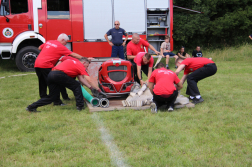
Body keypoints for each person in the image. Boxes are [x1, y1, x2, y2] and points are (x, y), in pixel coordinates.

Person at [26, 57, 104, 112]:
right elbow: (88, 79)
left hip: (51, 74)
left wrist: (90, 88)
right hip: (59, 75)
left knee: (52, 97)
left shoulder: (73, 62)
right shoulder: (80, 65)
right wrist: (98, 89)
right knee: (76, 85)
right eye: (86, 66)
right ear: (84, 62)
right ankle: (80, 106)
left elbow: (81, 79)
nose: (86, 68)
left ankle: (31, 107)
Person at [34, 33, 82, 105]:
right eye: (66, 42)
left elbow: (39, 48)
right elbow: (73, 54)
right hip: (46, 65)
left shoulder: (49, 42)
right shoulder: (60, 46)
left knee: (42, 82)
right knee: (54, 83)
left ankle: (43, 97)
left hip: (37, 64)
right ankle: (57, 101)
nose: (66, 44)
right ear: (62, 40)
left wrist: (47, 54)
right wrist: (85, 59)